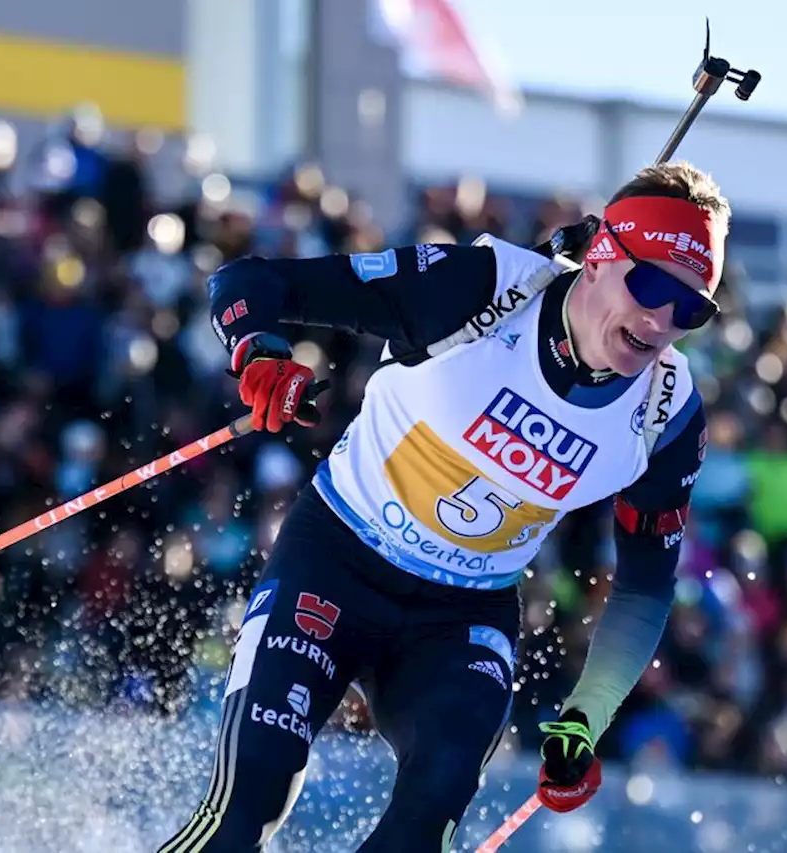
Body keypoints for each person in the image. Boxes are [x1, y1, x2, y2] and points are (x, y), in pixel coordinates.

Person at [157, 162, 726, 852]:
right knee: (249, 796)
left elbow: (644, 584)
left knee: (426, 820)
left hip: (461, 616)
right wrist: (259, 352)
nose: (663, 319)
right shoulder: (477, 289)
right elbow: (248, 282)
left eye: (691, 308)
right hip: (336, 561)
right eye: (653, 285)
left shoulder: (667, 416)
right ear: (602, 253)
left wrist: (587, 714)